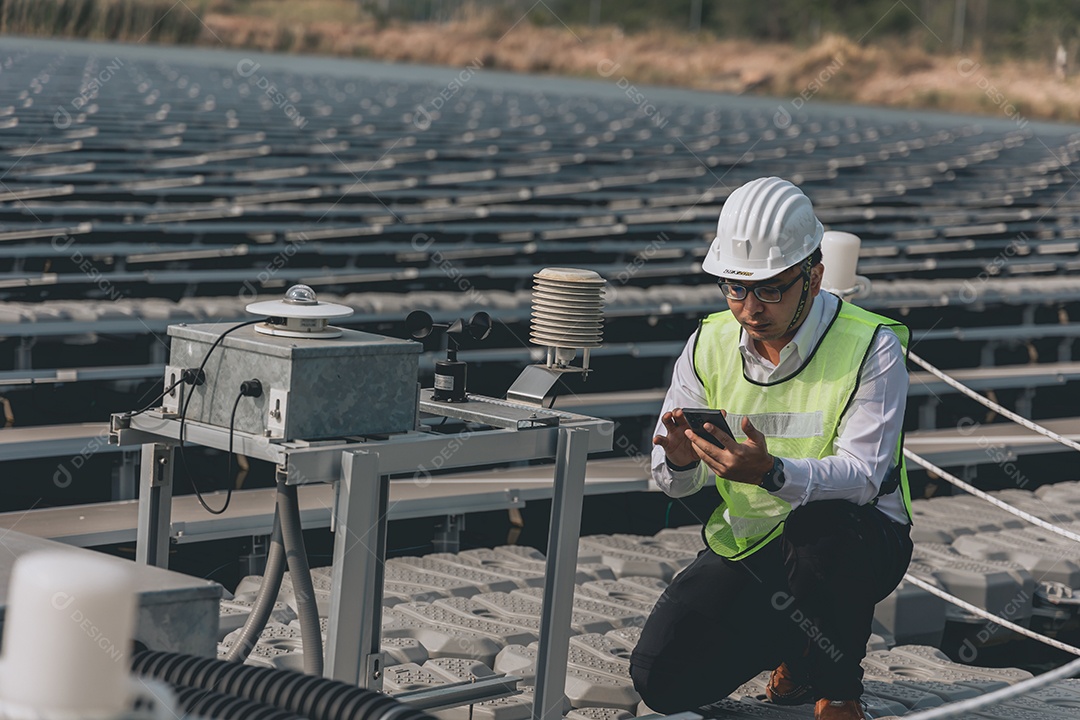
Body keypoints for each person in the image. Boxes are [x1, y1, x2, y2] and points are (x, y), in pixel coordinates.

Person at [629, 177, 914, 720]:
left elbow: (863, 476)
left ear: (815, 276)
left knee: (819, 529)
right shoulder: (706, 342)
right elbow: (673, 480)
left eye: (770, 289)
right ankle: (795, 642)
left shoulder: (870, 345)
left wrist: (772, 473)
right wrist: (682, 462)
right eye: (735, 289)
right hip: (754, 543)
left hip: (856, 541)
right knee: (661, 681)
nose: (750, 308)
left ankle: (837, 688)